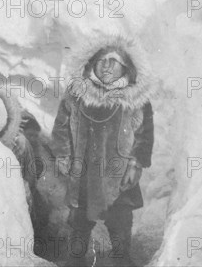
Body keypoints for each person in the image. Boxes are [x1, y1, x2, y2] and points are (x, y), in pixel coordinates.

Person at [50, 35, 155, 267]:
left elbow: (144, 134)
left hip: (119, 175)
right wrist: (63, 154)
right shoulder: (77, 95)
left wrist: (136, 163)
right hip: (84, 172)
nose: (107, 67)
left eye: (113, 62)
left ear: (125, 67)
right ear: (92, 64)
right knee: (78, 221)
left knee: (120, 220)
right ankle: (75, 260)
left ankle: (121, 258)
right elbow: (61, 127)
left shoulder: (135, 100)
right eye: (102, 61)